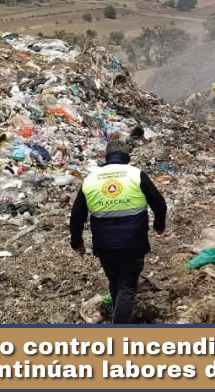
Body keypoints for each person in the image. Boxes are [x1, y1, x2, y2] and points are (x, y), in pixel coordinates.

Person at [70, 138, 167, 324]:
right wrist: (159, 224)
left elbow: (77, 216)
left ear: (106, 157)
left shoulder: (91, 178)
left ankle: (118, 315)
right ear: (127, 156)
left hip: (104, 245)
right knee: (127, 287)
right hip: (133, 242)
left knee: (115, 282)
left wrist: (77, 242)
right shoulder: (136, 174)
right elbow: (159, 204)